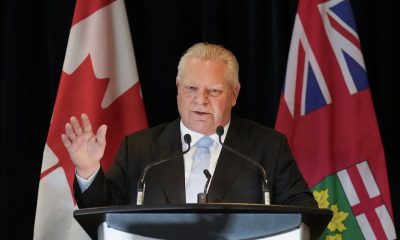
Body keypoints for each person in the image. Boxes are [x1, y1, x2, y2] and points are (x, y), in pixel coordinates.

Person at [62, 42, 317, 208]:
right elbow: (103, 214)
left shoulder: (268, 148)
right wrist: (88, 169)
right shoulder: (139, 149)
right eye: (191, 89)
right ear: (177, 90)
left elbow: (303, 212)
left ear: (235, 94)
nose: (200, 100)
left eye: (214, 91)